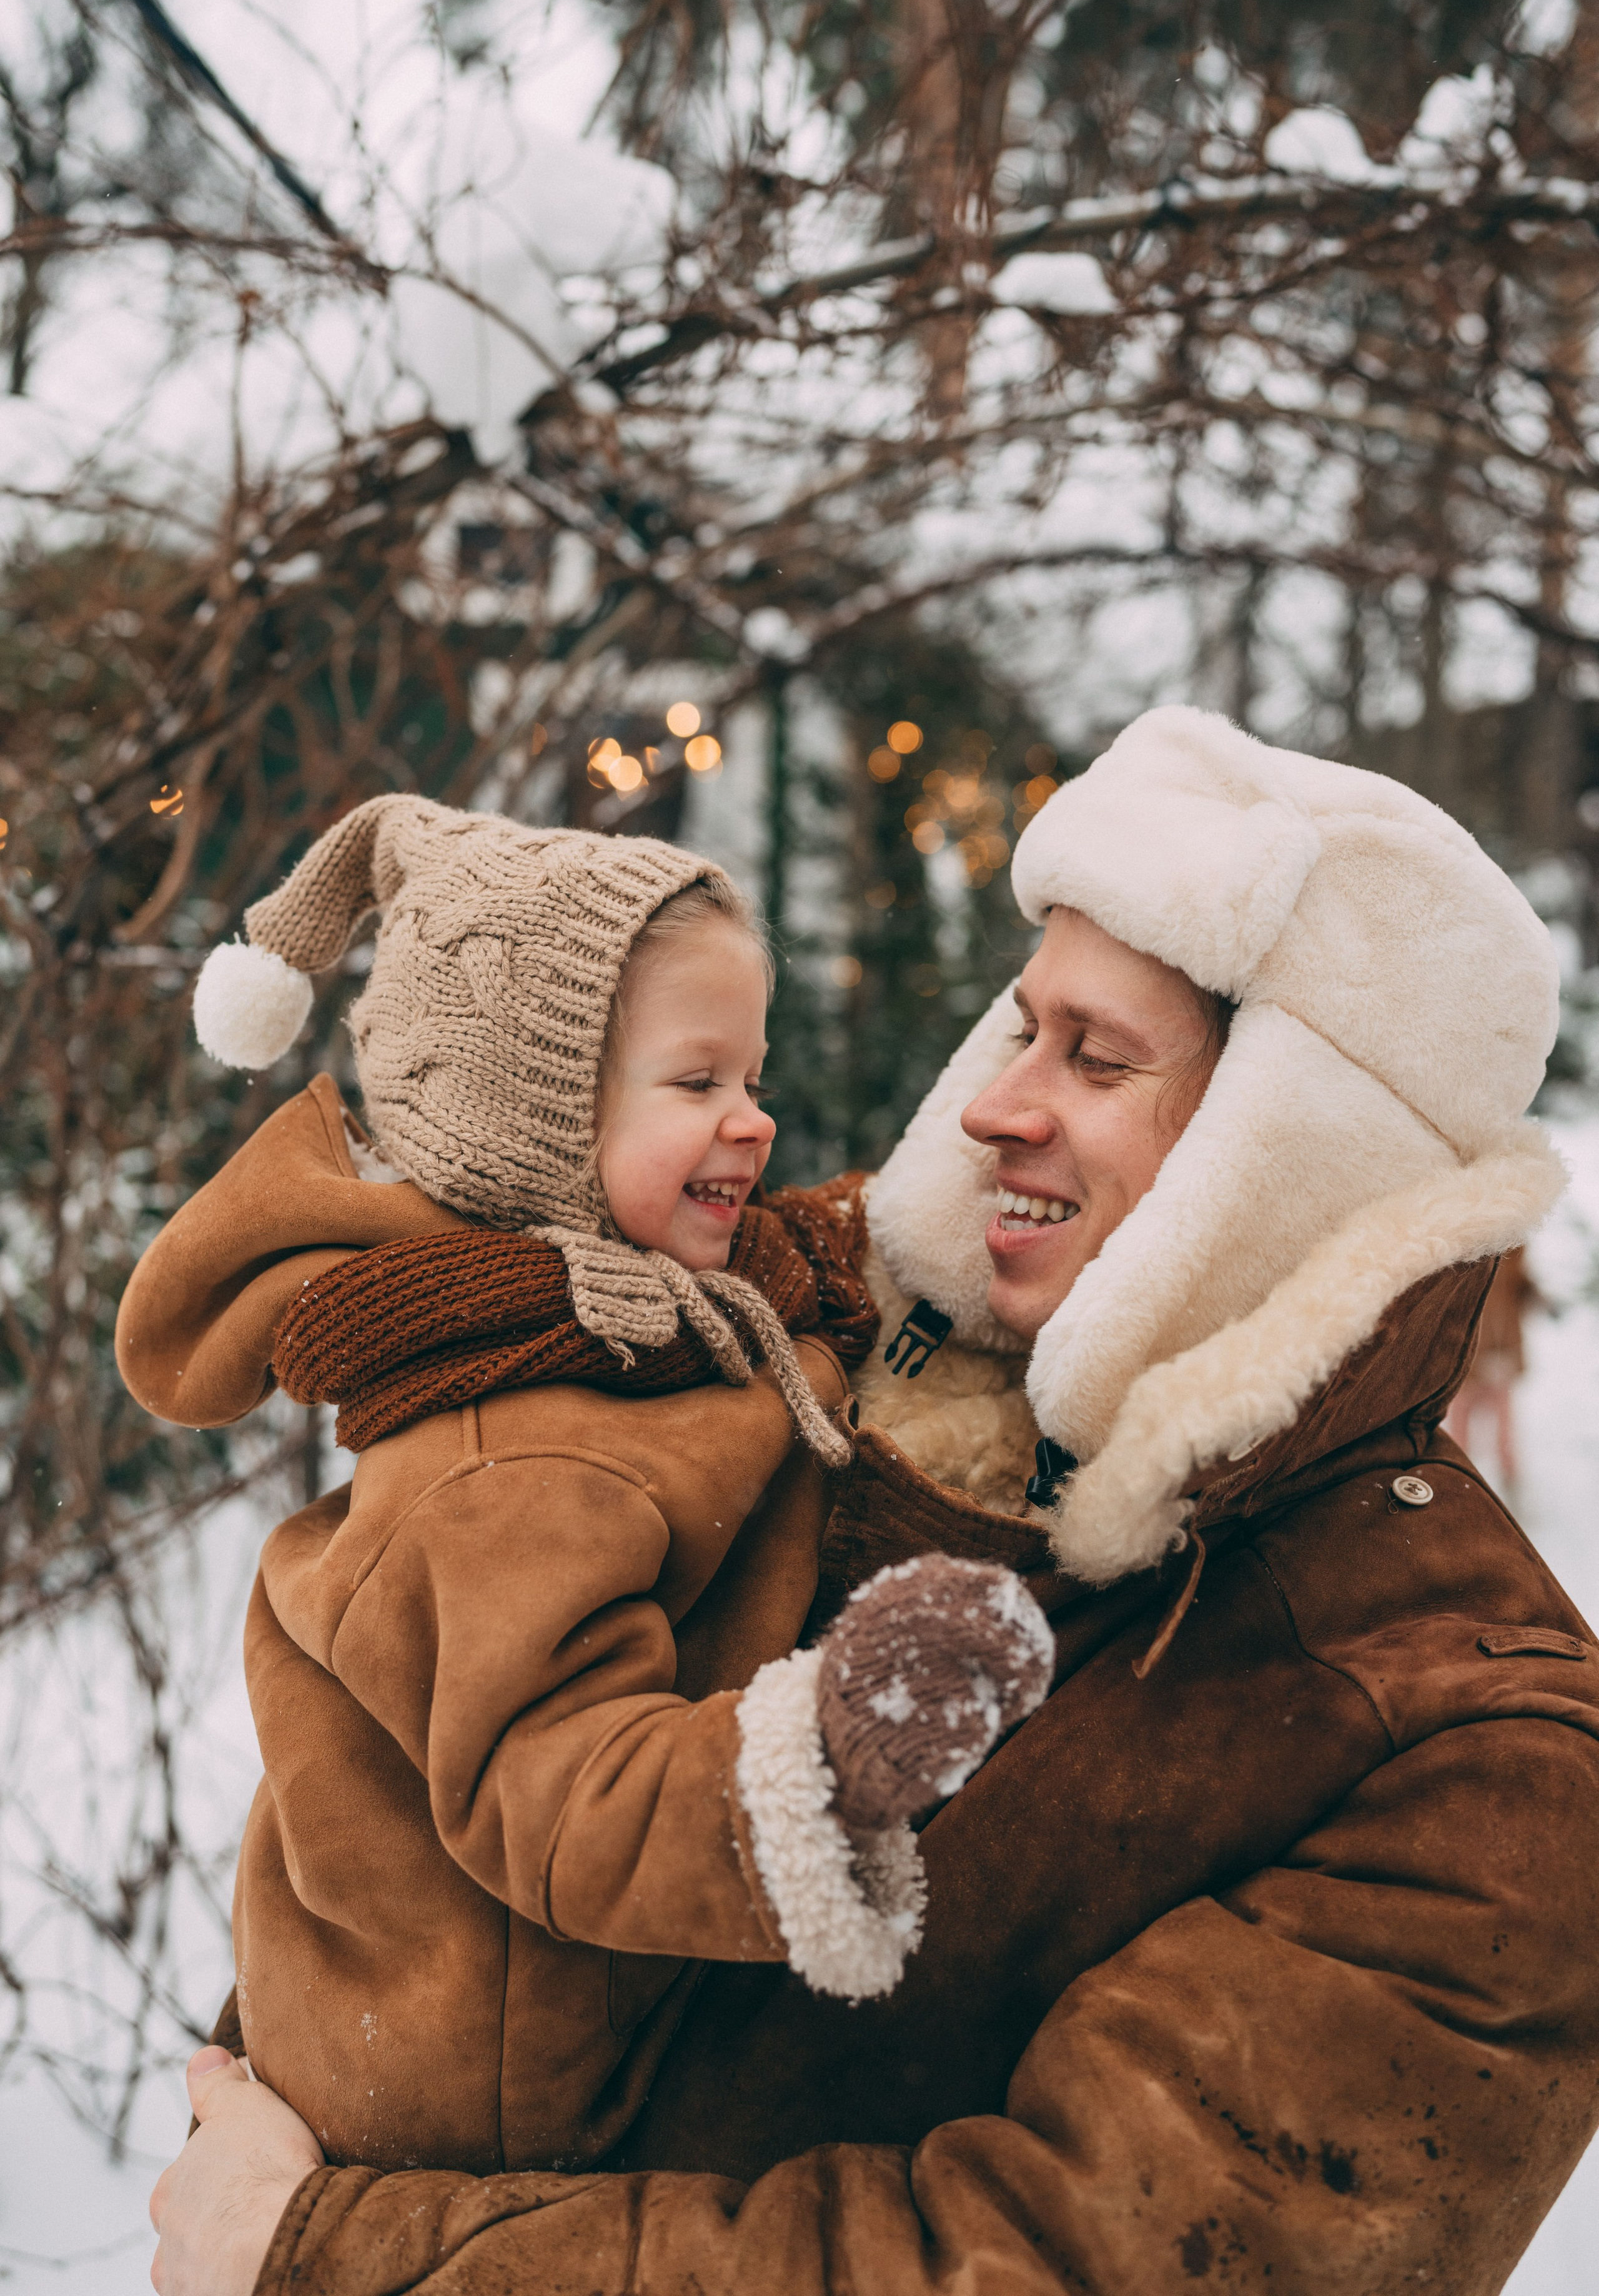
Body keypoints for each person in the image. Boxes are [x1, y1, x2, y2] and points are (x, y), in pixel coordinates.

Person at [152, 710, 1599, 2296]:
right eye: (1019, 1029)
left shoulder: (1480, 1760)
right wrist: (294, 2081)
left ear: (1289, 1154)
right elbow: (445, 1749)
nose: (989, 1105)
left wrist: (323, 2253)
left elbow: (1044, 2265)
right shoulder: (796, 1320)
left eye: (1095, 1057)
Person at [117, 796, 1052, 2182]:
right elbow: (562, 1797)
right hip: (479, 2105)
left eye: (753, 1074)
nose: (754, 1120)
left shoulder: (648, 1321)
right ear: (535, 1123)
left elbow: (791, 1294)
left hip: (578, 2023)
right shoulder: (506, 1453)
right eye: (697, 1082)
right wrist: (824, 1759)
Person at [1444, 1244, 1544, 1499]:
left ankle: (1509, 1474)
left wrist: (1539, 1298)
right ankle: (1458, 1474)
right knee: (1461, 1419)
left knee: (1504, 1421)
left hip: (1503, 1356)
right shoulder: (1465, 1253)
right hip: (1470, 1355)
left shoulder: (1515, 1253)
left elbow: (1523, 1285)